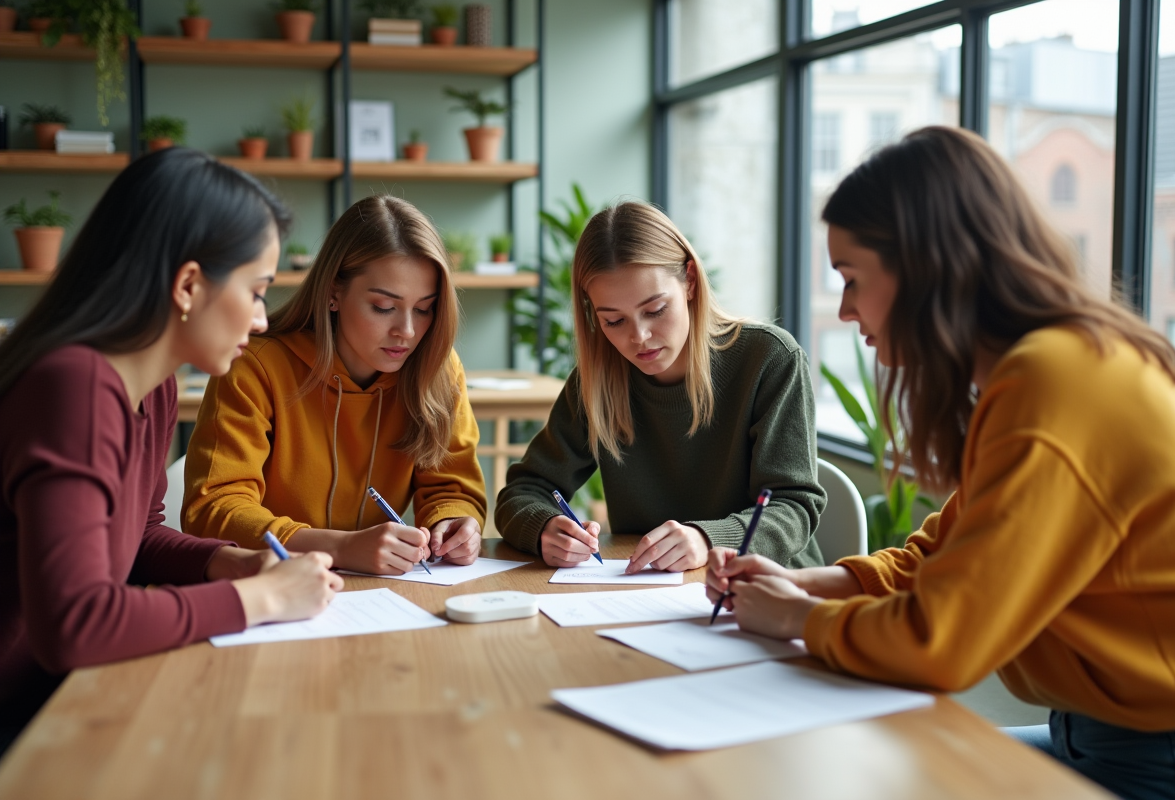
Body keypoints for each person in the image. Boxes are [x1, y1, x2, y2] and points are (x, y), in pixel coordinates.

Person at [706, 126, 1175, 800]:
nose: (846, 309)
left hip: (1164, 755)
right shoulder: (1047, 367)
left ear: (926, 267)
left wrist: (797, 619)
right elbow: (943, 556)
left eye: (852, 280)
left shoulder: (1056, 383)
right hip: (1110, 732)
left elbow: (942, 641)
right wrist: (817, 585)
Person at [0, 149, 343, 751]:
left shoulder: (153, 384)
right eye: (257, 290)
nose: (262, 319)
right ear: (188, 285)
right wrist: (257, 597)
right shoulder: (73, 387)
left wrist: (225, 562)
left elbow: (132, 536)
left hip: (63, 699)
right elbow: (75, 624)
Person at [496, 202, 825, 573]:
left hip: (766, 587)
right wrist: (543, 528)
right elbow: (523, 492)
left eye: (655, 310)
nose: (639, 337)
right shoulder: (599, 379)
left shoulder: (769, 358)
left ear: (690, 281)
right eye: (614, 320)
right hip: (647, 591)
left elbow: (793, 506)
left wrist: (707, 539)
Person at [183, 195, 487, 575]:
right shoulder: (254, 366)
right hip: (273, 586)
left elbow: (452, 487)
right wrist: (340, 547)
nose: (407, 331)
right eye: (383, 306)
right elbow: (213, 510)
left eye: (424, 308)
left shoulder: (437, 370)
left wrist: (456, 522)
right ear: (333, 293)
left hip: (379, 595)